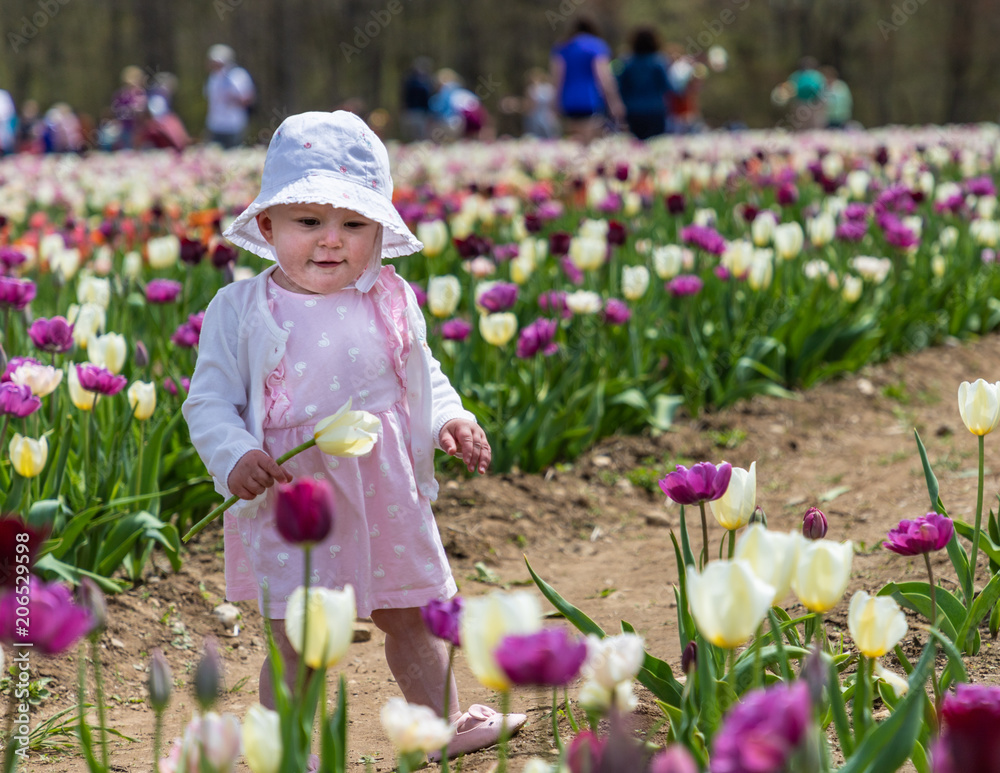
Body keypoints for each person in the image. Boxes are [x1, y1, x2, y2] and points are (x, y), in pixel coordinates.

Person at [182, 111, 526, 759]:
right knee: (299, 638)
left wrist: (450, 419)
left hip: (386, 486)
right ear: (268, 226)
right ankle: (285, 747)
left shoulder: (389, 297)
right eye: (309, 221)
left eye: (354, 223)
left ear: (380, 230)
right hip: (292, 494)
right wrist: (234, 455)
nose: (332, 240)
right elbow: (208, 402)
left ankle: (440, 722)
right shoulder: (242, 310)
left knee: (414, 614)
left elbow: (418, 379)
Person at [550, 15, 625, 143]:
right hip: (590, 100)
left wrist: (554, 104)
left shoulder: (562, 47)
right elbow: (603, 77)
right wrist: (614, 102)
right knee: (590, 143)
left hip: (568, 101)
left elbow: (557, 77)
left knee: (574, 142)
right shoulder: (596, 46)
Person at [616, 26, 673, 140]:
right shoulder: (658, 62)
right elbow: (667, 86)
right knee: (656, 145)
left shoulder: (627, 63)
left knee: (636, 146)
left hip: (633, 111)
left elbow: (620, 87)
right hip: (655, 110)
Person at [204, 44, 256, 148]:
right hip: (215, 124)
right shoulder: (213, 78)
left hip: (234, 124)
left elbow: (248, 98)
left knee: (233, 158)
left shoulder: (239, 75)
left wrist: (233, 99)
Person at [400, 57, 435, 141]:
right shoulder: (419, 82)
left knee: (419, 136)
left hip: (419, 111)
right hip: (414, 111)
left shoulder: (410, 80)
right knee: (415, 136)